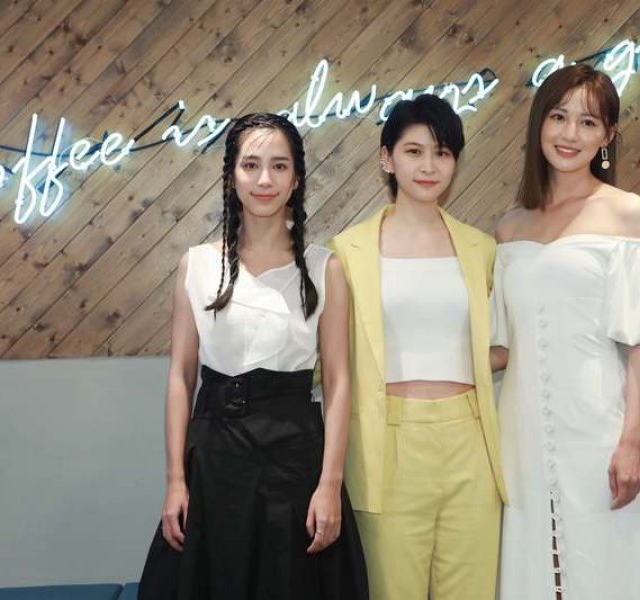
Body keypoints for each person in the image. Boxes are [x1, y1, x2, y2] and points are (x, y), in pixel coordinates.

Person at [137, 113, 368, 600]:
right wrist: (175, 480)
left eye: (279, 166)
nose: (265, 179)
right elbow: (181, 376)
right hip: (215, 459)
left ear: (296, 179)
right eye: (251, 165)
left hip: (295, 461)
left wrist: (330, 483)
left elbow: (338, 381)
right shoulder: (197, 266)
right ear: (231, 176)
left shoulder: (324, 268)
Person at [491, 64, 640, 599]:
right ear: (539, 123)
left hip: (600, 429)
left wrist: (631, 441)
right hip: (522, 432)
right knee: (539, 570)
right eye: (558, 117)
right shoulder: (510, 226)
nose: (569, 134)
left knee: (609, 571)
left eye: (587, 122)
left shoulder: (626, 214)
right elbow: (501, 347)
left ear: (607, 136)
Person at [328, 94, 507, 600]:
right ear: (387, 159)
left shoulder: (482, 248)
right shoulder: (347, 251)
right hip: (386, 441)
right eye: (414, 151)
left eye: (442, 153)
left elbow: (502, 344)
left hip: (470, 438)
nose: (429, 166)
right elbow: (331, 362)